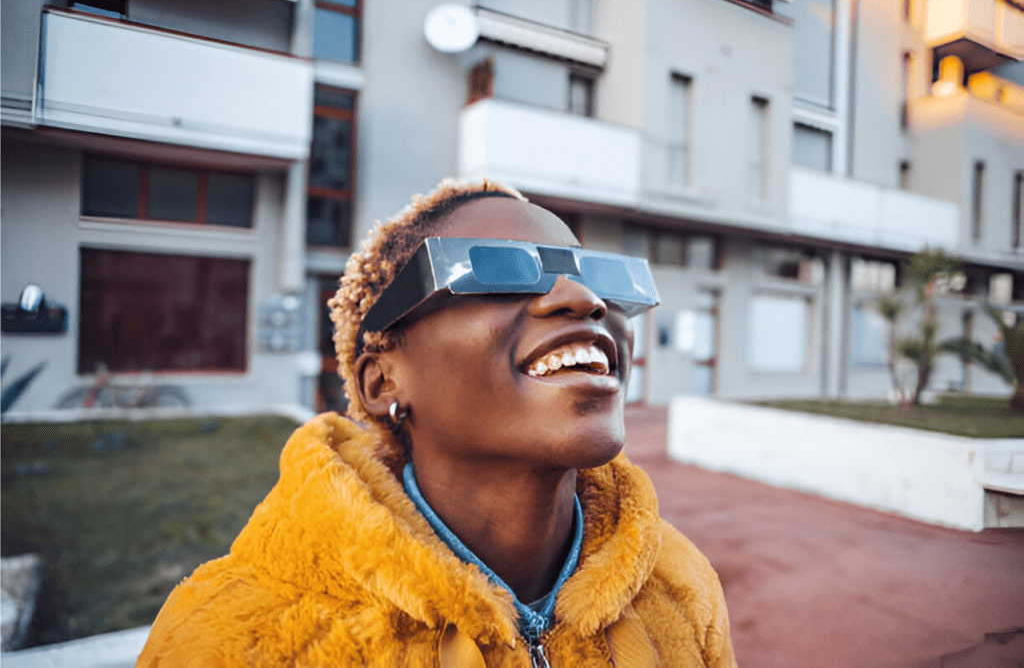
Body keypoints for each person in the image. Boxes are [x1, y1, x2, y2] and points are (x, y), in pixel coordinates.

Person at [138, 179, 735, 667]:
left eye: (596, 275)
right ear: (382, 383)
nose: (583, 299)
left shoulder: (681, 586)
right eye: (498, 270)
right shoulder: (231, 638)